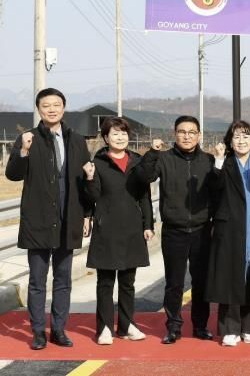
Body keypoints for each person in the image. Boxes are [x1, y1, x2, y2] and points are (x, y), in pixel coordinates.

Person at [6, 88, 91, 350]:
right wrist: (23, 151)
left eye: (56, 104)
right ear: (39, 109)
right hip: (38, 220)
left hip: (69, 218)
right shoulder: (28, 138)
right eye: (46, 105)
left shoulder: (77, 140)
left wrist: (87, 214)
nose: (52, 109)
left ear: (64, 107)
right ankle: (37, 332)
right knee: (37, 280)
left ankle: (59, 329)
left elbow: (84, 181)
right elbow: (13, 175)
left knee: (63, 279)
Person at [135, 115, 215, 344]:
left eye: (191, 132)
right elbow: (144, 176)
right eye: (182, 132)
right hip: (174, 230)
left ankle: (200, 325)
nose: (187, 136)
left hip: (202, 229)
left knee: (201, 282)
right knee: (174, 283)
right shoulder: (164, 158)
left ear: (199, 135)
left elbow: (218, 190)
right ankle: (173, 327)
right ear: (175, 134)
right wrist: (152, 153)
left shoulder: (208, 160)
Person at [83, 117, 154, 345]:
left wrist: (148, 224)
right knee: (105, 282)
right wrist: (90, 177)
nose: (120, 137)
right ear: (106, 137)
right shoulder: (98, 162)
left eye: (123, 133)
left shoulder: (137, 161)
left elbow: (144, 196)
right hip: (107, 229)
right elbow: (92, 196)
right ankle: (104, 328)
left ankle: (126, 325)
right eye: (115, 133)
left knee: (128, 282)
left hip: (132, 228)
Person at [206, 121, 250, 346]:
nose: (241, 141)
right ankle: (230, 329)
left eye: (246, 136)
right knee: (230, 275)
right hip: (229, 228)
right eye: (236, 137)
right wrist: (218, 160)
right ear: (230, 142)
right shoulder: (224, 164)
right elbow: (213, 187)